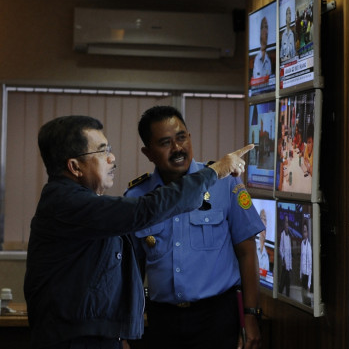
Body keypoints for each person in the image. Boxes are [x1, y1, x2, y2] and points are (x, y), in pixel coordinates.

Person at [23, 115, 251, 349]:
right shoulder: (67, 203)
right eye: (102, 152)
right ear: (74, 166)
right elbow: (145, 210)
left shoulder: (78, 200)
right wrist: (214, 172)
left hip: (210, 319)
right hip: (76, 338)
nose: (112, 158)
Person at [125, 106, 264, 349]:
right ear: (148, 152)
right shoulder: (138, 197)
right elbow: (132, 270)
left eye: (181, 138)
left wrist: (251, 315)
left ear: (189, 138)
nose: (177, 148)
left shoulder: (225, 183)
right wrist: (126, 325)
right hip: (161, 320)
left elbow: (247, 251)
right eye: (165, 142)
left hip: (217, 317)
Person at [251, 16, 272, 84]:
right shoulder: (256, 59)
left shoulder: (269, 60)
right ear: (260, 31)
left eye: (267, 27)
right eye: (263, 27)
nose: (266, 31)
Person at [278, 215, 292, 296]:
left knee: (286, 281)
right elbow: (281, 249)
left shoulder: (289, 237)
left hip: (288, 265)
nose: (287, 224)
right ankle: (283, 294)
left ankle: (286, 295)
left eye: (288, 223)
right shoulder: (282, 235)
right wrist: (283, 260)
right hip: (284, 264)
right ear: (284, 224)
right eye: (286, 222)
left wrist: (290, 266)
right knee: (285, 281)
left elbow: (290, 252)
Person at [299, 221, 312, 306]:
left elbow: (310, 265)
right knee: (303, 297)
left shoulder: (309, 246)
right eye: (303, 231)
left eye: (306, 231)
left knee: (307, 300)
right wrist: (300, 274)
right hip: (303, 275)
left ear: (308, 232)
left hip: (307, 276)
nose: (304, 233)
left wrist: (309, 283)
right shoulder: (302, 244)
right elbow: (301, 260)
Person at [257, 209, 270, 276]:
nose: (265, 225)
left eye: (266, 221)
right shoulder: (252, 247)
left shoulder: (266, 256)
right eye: (264, 219)